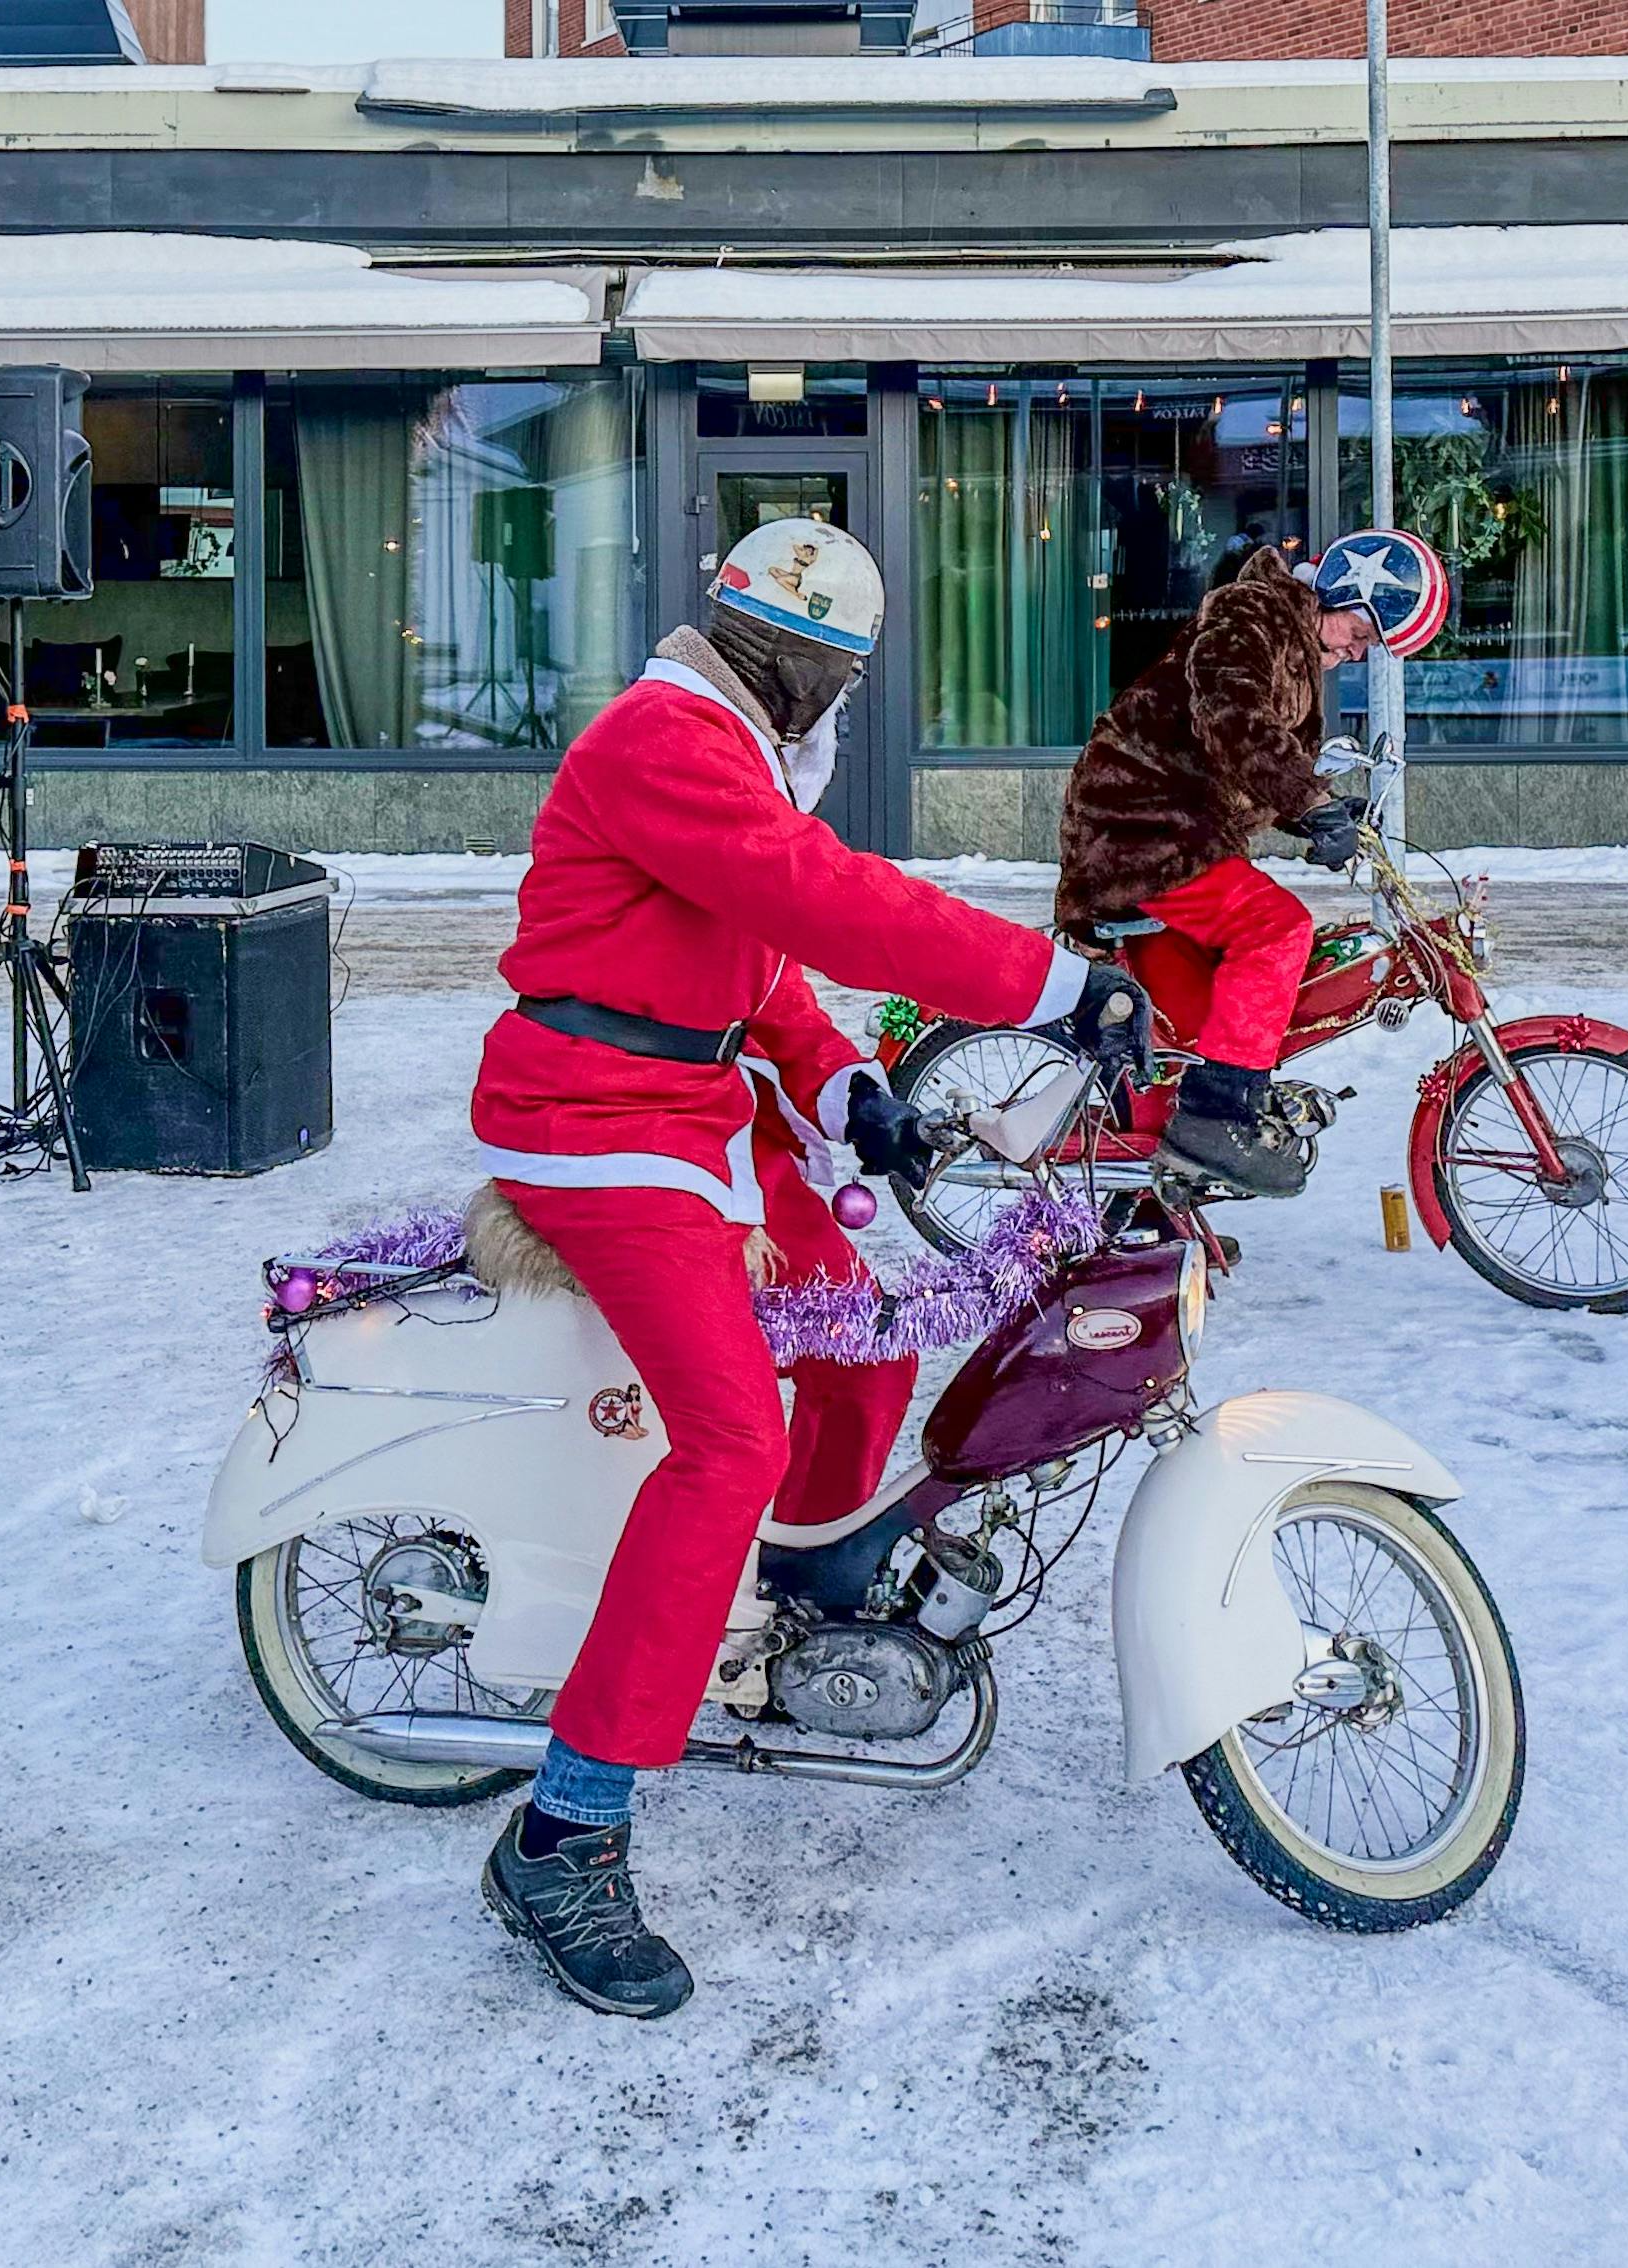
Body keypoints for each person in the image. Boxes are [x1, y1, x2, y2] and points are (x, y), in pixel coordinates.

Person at [468, 515, 1150, 2020]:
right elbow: (825, 900)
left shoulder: (726, 751)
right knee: (730, 1442)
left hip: (683, 1111)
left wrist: (854, 1094)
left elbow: (763, 973)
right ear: (790, 670)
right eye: (820, 672)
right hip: (594, 1125)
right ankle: (565, 1833)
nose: (823, 694)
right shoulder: (666, 740)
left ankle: (787, 1597)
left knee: (863, 1334)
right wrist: (1055, 984)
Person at [1053, 528, 1446, 1197]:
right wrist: (1309, 801)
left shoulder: (1289, 642)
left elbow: (1244, 763)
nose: (1357, 651)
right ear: (1339, 594)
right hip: (1141, 831)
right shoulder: (1249, 616)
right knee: (1277, 928)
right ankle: (1218, 1116)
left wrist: (1319, 810)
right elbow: (1232, 719)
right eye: (1359, 633)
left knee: (1191, 1033)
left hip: (1179, 829)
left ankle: (1158, 1196)